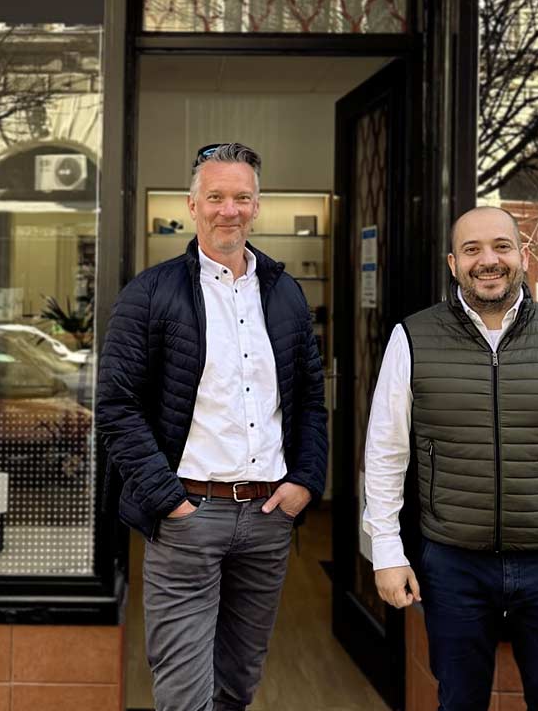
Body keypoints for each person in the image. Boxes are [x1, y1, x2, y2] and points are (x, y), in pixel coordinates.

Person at [363, 205, 538, 711]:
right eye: (472, 250)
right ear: (453, 262)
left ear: (523, 256)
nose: (489, 260)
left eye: (501, 247)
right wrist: (387, 550)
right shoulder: (412, 338)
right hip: (453, 564)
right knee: (459, 702)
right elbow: (386, 452)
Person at [97, 141, 328, 711]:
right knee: (182, 690)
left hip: (270, 515)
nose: (230, 210)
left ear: (257, 206)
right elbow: (116, 404)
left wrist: (304, 482)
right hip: (188, 517)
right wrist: (167, 500)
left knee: (238, 683)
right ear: (193, 205)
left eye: (242, 198)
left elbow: (311, 403)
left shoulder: (286, 293)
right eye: (217, 197)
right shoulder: (151, 292)